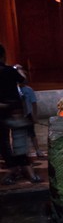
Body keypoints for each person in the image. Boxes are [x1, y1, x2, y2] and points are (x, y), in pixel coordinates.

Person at [0, 44, 26, 173]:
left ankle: (12, 166)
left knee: (3, 140)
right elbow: (22, 80)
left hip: (2, 109)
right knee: (18, 138)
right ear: (3, 56)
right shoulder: (10, 70)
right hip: (14, 108)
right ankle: (23, 166)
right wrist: (19, 69)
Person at [17, 69, 45, 158]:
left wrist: (34, 116)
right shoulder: (15, 90)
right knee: (21, 135)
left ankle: (38, 150)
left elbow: (34, 103)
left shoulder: (29, 90)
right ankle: (24, 152)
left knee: (32, 134)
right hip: (19, 115)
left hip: (28, 114)